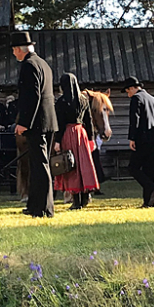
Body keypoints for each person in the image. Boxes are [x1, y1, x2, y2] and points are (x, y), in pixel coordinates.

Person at [12, 32, 58, 218]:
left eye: (14, 50)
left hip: (37, 123)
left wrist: (23, 123)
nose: (14, 54)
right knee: (38, 164)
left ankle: (44, 208)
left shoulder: (28, 65)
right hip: (48, 121)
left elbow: (32, 97)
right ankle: (34, 204)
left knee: (40, 165)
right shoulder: (43, 64)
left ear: (18, 49)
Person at [53, 73, 99, 210]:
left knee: (71, 166)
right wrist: (91, 139)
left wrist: (57, 141)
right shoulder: (84, 100)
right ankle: (85, 198)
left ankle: (76, 201)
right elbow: (88, 121)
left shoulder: (61, 102)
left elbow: (60, 124)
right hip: (82, 134)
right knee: (84, 165)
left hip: (68, 134)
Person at [123, 76, 154, 208]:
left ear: (133, 88)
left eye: (128, 91)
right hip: (153, 139)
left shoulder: (137, 99)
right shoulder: (153, 100)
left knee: (133, 168)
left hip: (142, 138)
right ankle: (148, 202)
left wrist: (132, 138)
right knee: (148, 170)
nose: (128, 95)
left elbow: (135, 119)